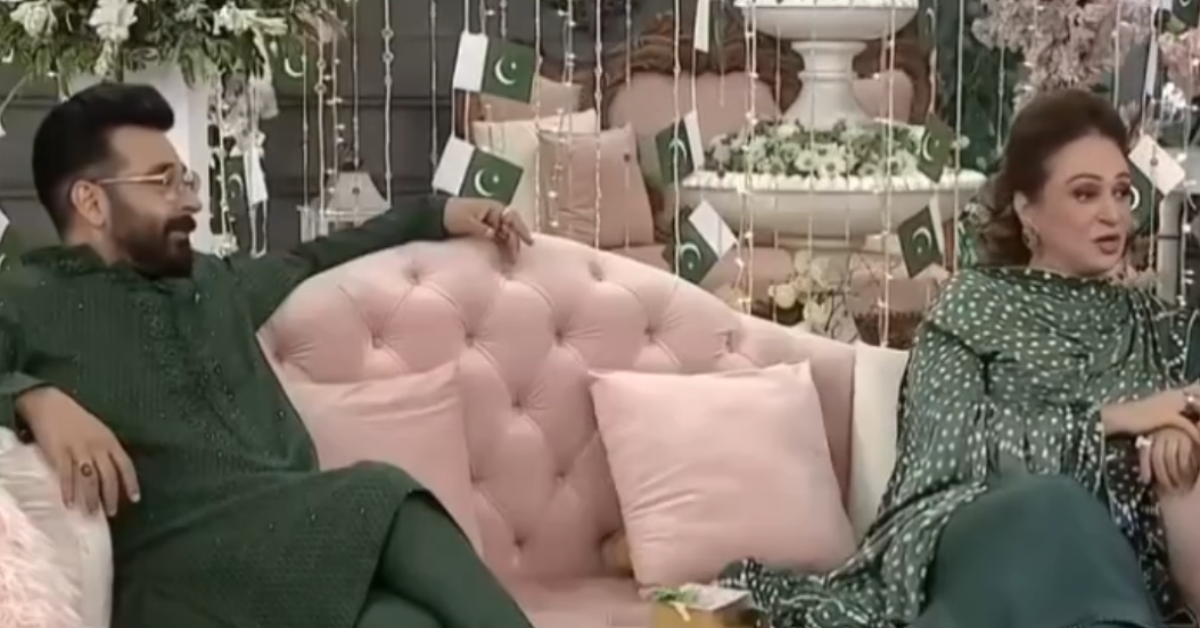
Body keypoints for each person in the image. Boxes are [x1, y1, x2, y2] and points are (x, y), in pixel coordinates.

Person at [2, 82, 537, 628]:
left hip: (293, 538)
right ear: (91, 201)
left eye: (186, 180)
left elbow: (316, 256)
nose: (190, 201)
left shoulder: (212, 282)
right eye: (164, 183)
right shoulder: (27, 296)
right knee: (386, 493)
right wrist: (34, 399)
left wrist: (438, 213)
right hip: (179, 573)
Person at [721, 89, 1200, 628]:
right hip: (974, 528)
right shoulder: (975, 301)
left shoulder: (1150, 321)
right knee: (1053, 504)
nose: (1112, 214)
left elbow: (1187, 395)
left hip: (1119, 564)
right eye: (1085, 194)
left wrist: (1181, 423)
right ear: (1027, 209)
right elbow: (947, 445)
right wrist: (1114, 420)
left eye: (1121, 193)